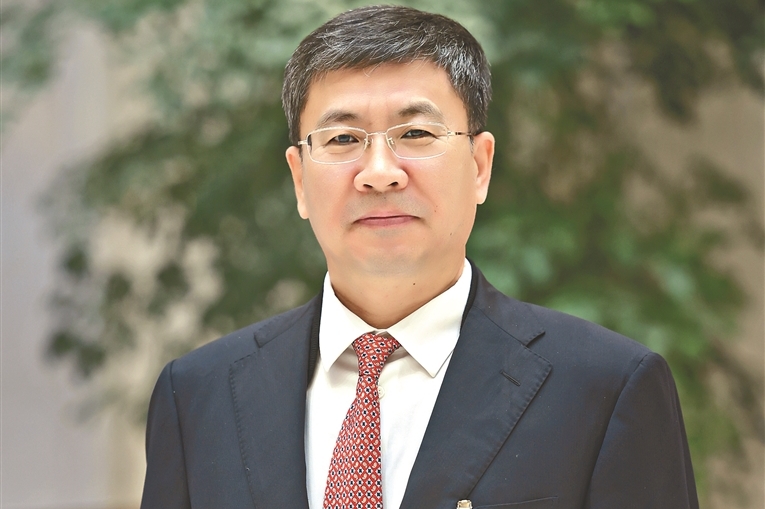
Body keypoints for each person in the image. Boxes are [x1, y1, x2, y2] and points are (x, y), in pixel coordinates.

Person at [140, 5, 699, 509]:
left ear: (480, 165)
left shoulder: (605, 388)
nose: (380, 173)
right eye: (342, 140)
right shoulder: (197, 395)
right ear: (299, 179)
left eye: (415, 133)